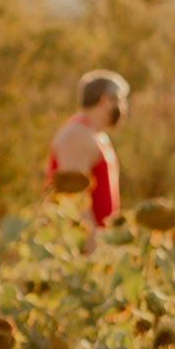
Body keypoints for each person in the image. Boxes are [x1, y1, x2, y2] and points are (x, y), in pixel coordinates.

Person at [48, 70, 129, 229]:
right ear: (105, 100)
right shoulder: (78, 135)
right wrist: (91, 247)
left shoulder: (97, 136)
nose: (124, 108)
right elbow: (73, 204)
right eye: (121, 100)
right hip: (81, 249)